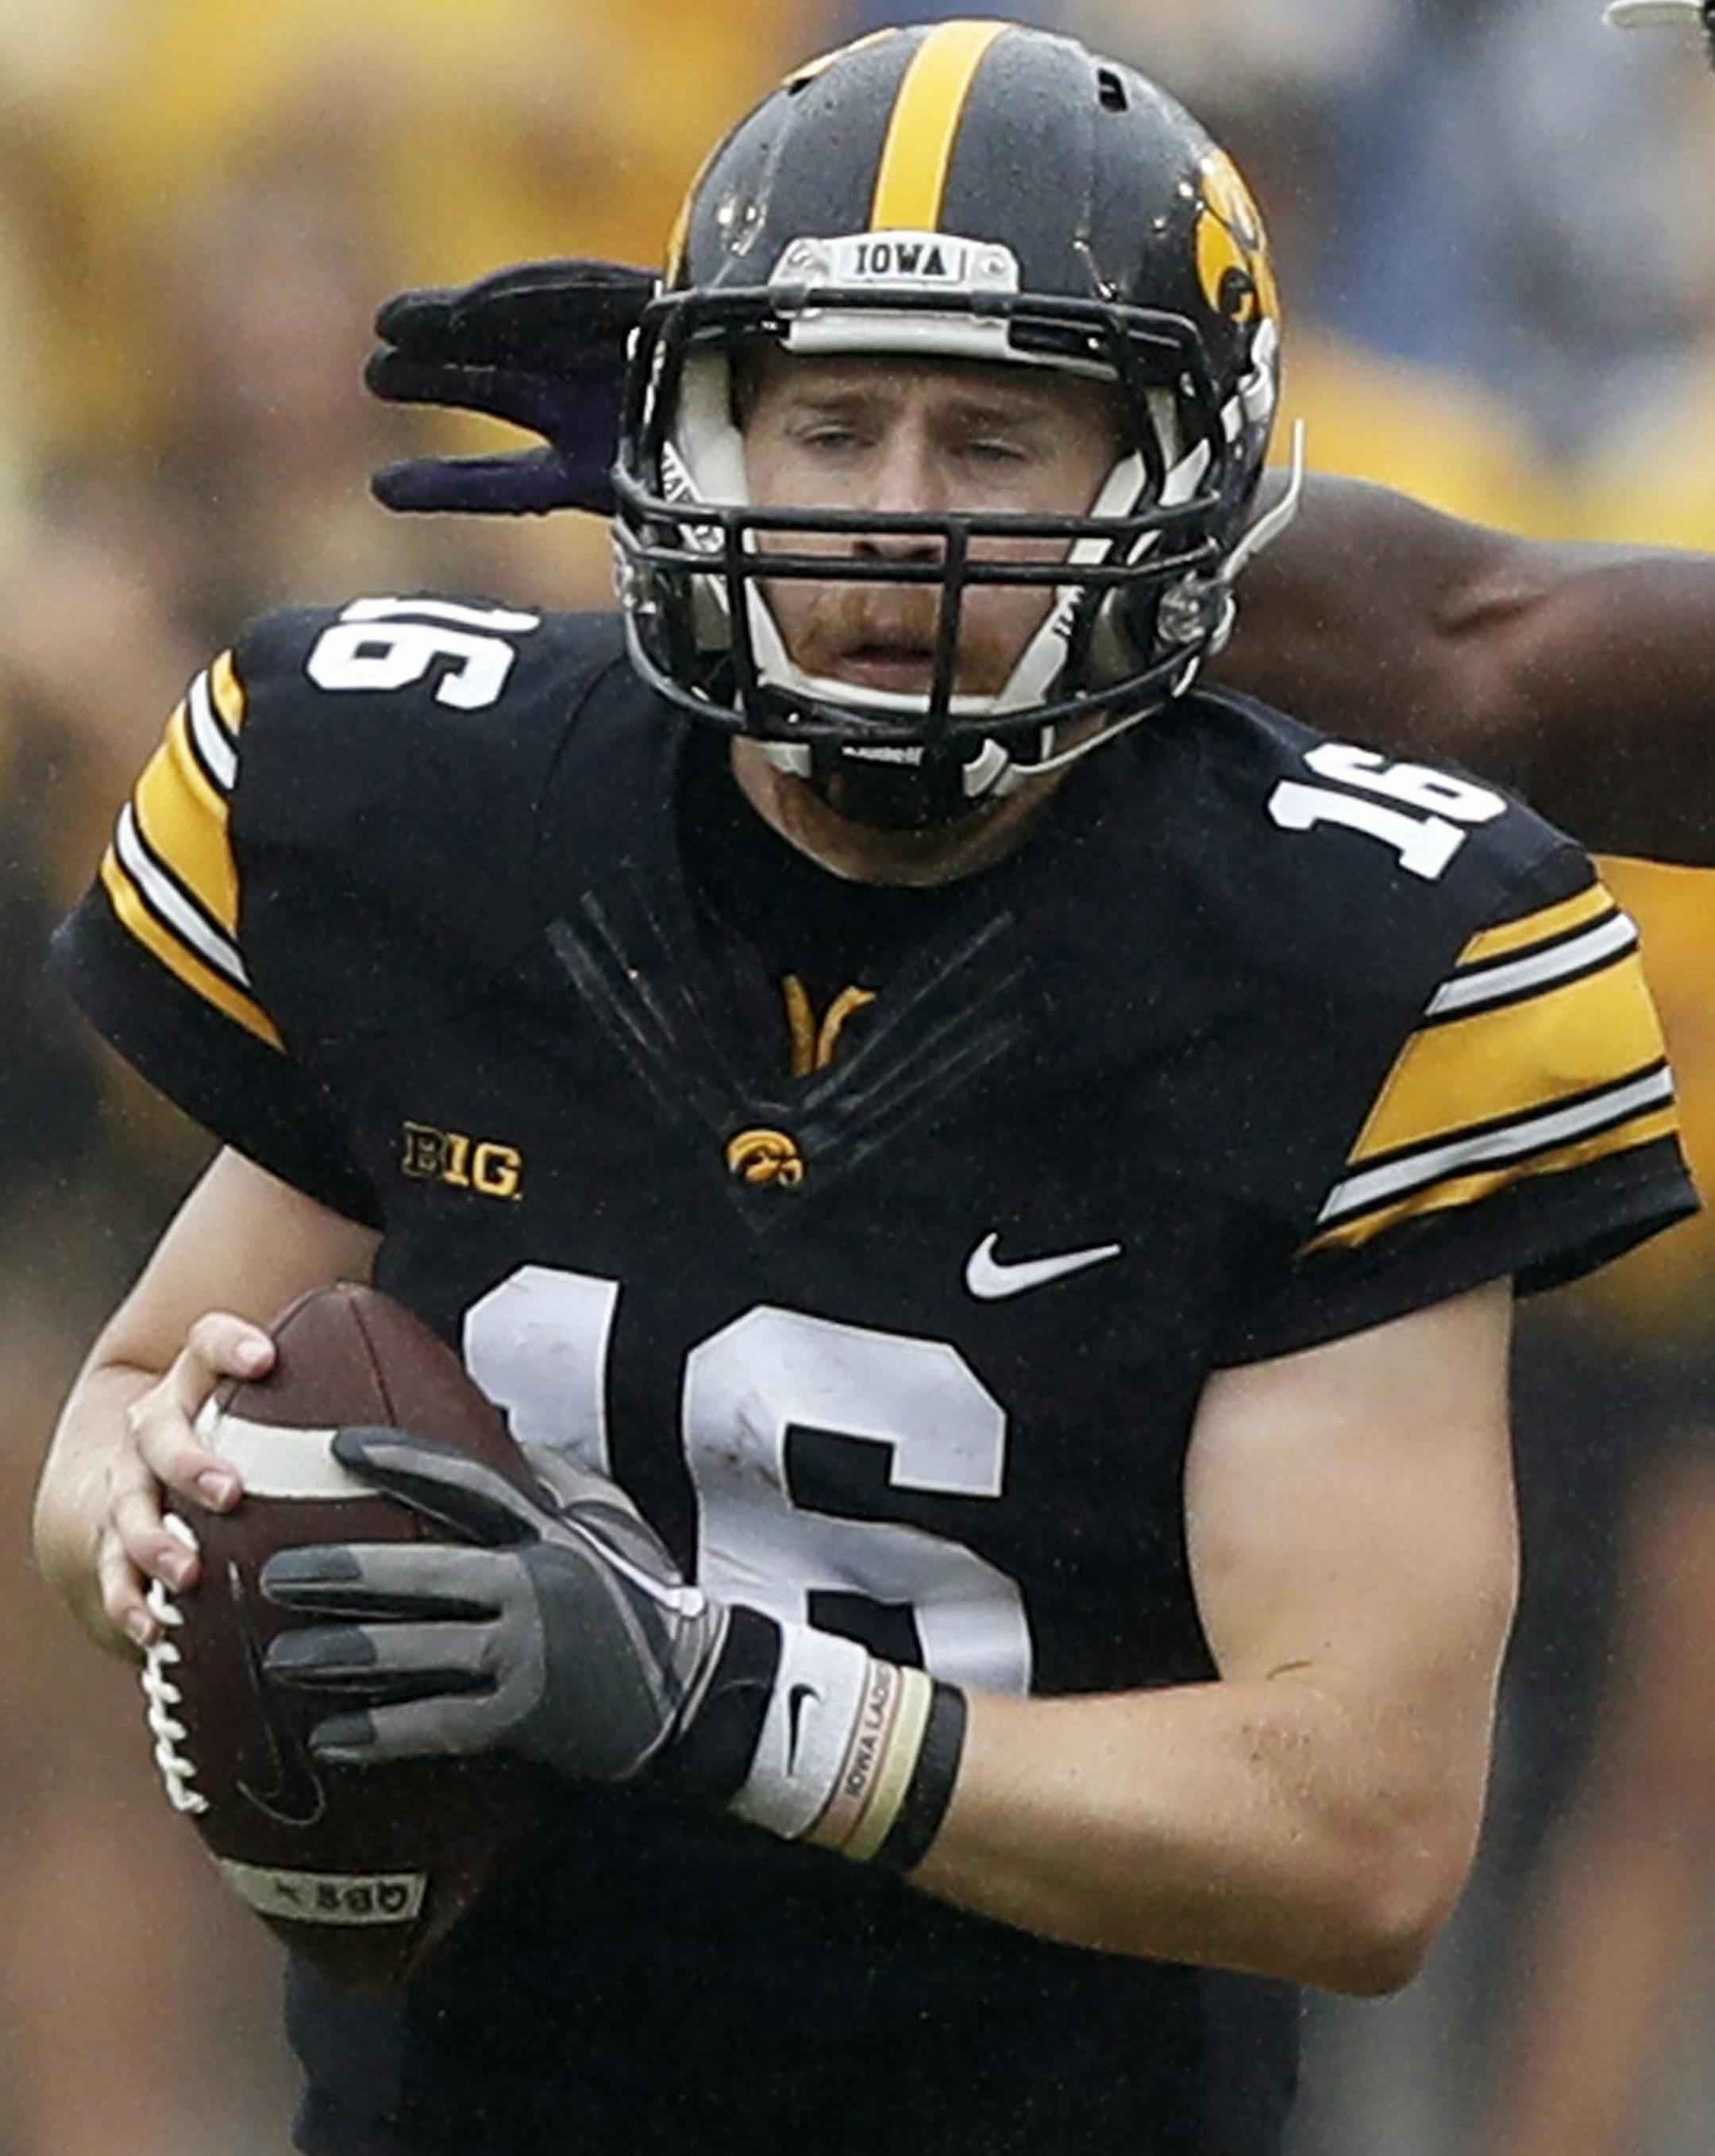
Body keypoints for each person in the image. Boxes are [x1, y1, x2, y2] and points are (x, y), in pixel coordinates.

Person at [32, 21, 1699, 2156]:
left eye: (995, 442)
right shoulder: (427, 803)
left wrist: (713, 1697)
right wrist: (168, 1525)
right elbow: (130, 1412)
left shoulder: (1346, 948)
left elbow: (1359, 1830)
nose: (897, 519)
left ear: (1178, 482)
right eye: (828, 423)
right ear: (692, 437)